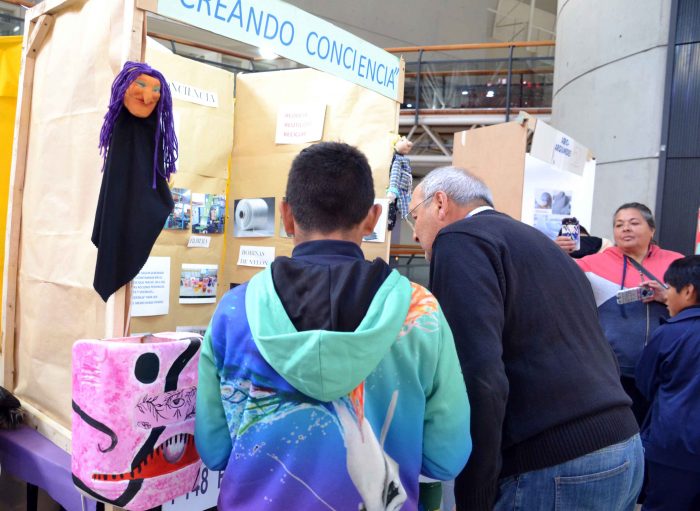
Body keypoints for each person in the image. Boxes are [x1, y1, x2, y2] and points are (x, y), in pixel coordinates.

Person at [195, 143, 471, 510]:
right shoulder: (420, 313)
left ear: (286, 216)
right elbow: (446, 457)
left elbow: (214, 451)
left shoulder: (233, 312)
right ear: (373, 218)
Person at [408, 166, 643, 511]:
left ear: (440, 204)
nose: (414, 234)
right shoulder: (542, 247)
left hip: (554, 464)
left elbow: (479, 377)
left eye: (414, 216)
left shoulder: (460, 239)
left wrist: (474, 496)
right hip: (625, 447)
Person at [555, 203, 684, 425]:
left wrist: (665, 296)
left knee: (660, 428)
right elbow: (551, 280)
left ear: (652, 230)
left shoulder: (676, 262)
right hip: (614, 368)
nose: (625, 229)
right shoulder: (593, 263)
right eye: (619, 225)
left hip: (668, 366)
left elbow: (694, 302)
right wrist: (556, 253)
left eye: (634, 223)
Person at [635, 255, 700, 511]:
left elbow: (645, 383)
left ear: (688, 290)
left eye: (669, 289)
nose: (667, 295)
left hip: (674, 446)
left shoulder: (670, 334)